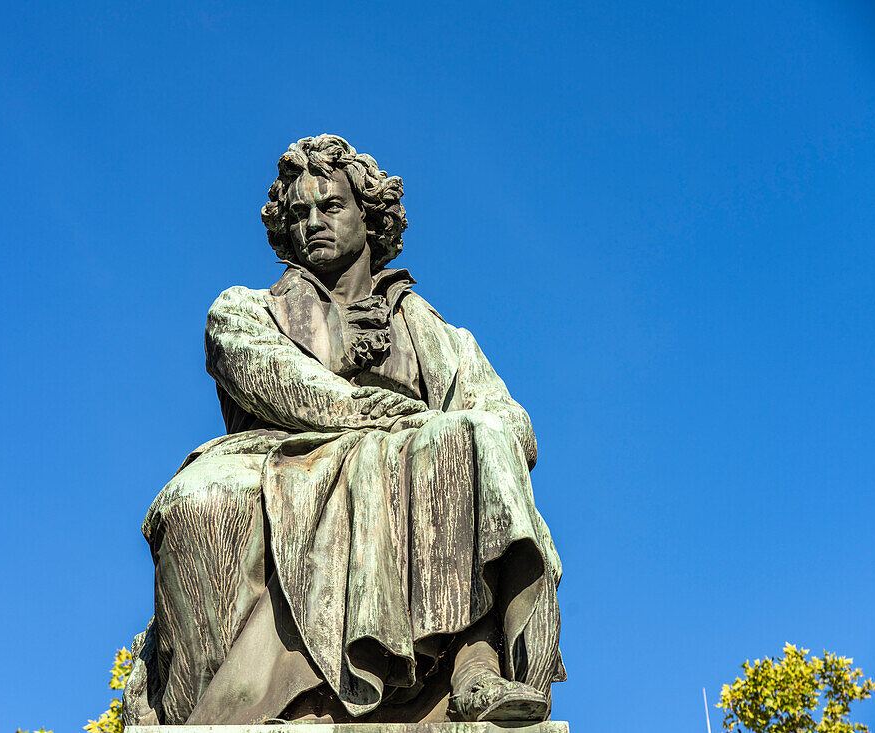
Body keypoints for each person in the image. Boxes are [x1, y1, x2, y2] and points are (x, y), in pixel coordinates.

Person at [122, 134, 564, 726]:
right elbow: (270, 376)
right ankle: (257, 704)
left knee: (471, 440)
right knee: (199, 501)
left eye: (330, 207)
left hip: (417, 456)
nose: (313, 223)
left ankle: (474, 668)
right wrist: (370, 415)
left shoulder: (440, 335)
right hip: (284, 453)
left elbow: (514, 425)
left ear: (368, 217)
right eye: (299, 212)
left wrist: (439, 430)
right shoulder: (246, 309)